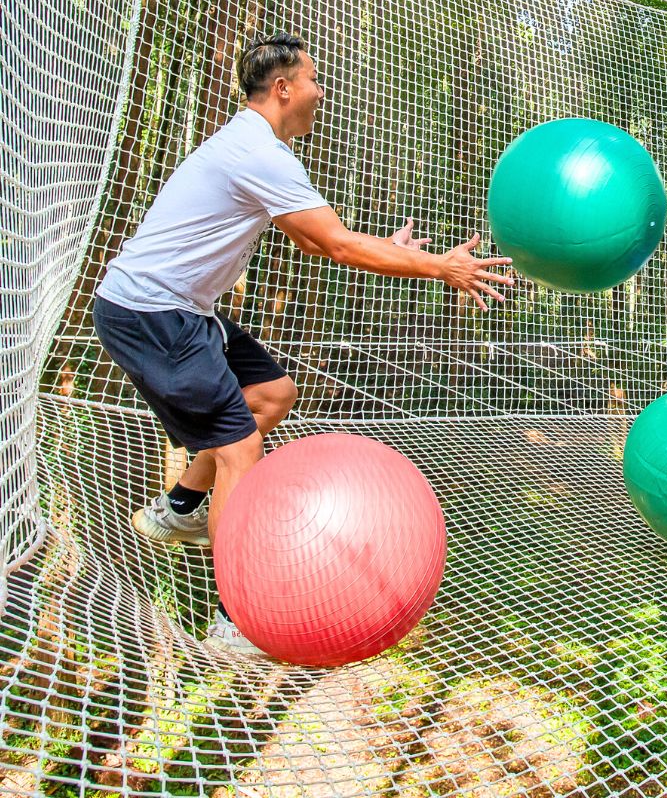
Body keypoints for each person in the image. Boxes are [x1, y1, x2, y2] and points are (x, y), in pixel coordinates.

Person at [92, 33, 512, 654]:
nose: (321, 92)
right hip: (150, 312)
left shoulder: (259, 148)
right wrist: (442, 269)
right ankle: (241, 616)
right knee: (239, 450)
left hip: (180, 309)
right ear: (283, 88)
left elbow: (315, 241)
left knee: (271, 393)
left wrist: (396, 252)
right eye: (314, 80)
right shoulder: (258, 152)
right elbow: (338, 245)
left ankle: (182, 509)